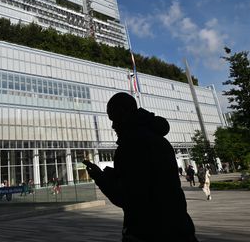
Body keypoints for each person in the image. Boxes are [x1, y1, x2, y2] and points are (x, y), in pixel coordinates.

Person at [84, 92, 197, 242]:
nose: (112, 125)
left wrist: (101, 178)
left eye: (114, 118)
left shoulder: (131, 145)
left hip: (147, 232)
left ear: (123, 113)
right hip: (179, 227)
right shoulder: (159, 140)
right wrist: (117, 175)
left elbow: (127, 198)